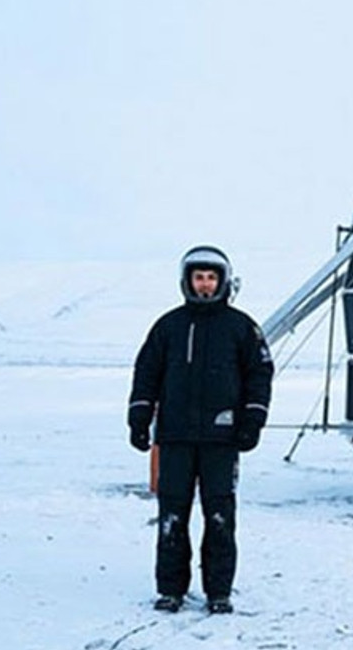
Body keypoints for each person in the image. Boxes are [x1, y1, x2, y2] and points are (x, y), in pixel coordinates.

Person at [127, 245, 274, 614]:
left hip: (222, 439)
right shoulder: (168, 326)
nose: (205, 284)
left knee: (220, 516)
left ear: (222, 282)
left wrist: (252, 421)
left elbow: (260, 376)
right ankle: (170, 589)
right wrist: (139, 418)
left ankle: (218, 591)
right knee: (173, 515)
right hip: (175, 437)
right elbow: (146, 373)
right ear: (187, 281)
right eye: (199, 277)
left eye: (211, 278)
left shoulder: (242, 328)